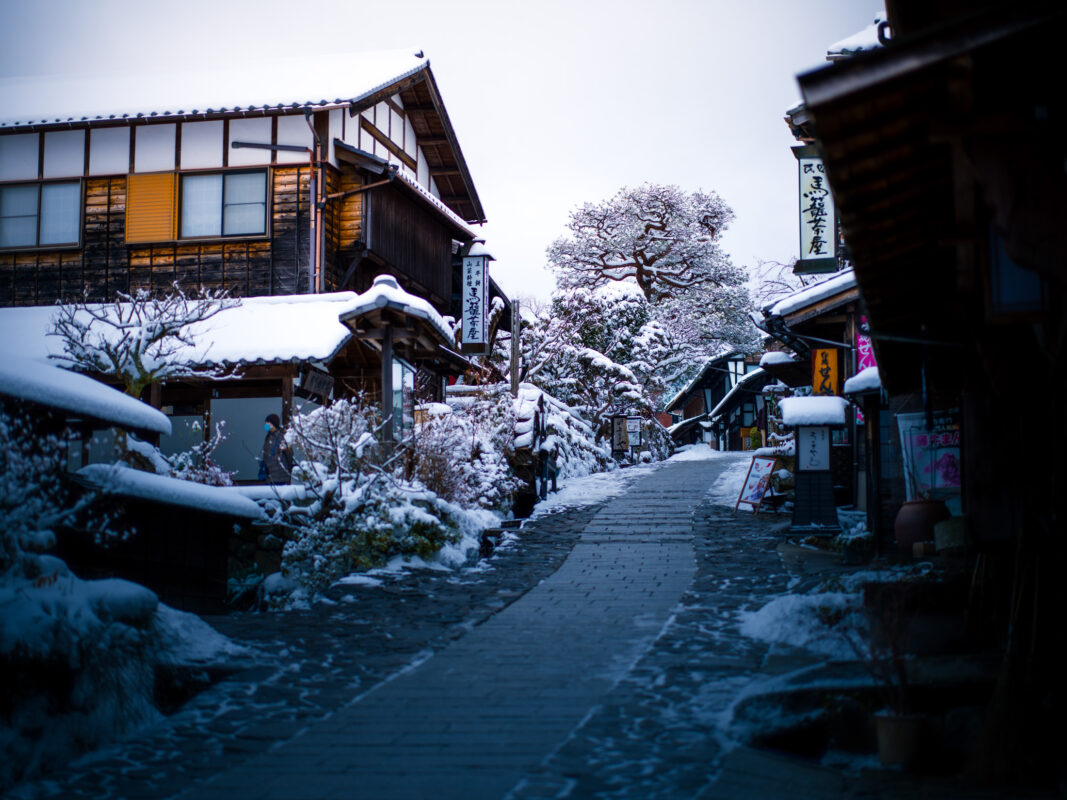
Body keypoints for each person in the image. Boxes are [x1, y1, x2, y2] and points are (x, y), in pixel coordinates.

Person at [259, 413, 292, 484]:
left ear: (273, 424)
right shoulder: (269, 436)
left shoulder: (281, 437)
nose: (266, 424)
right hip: (269, 475)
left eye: (268, 423)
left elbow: (289, 454)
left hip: (280, 475)